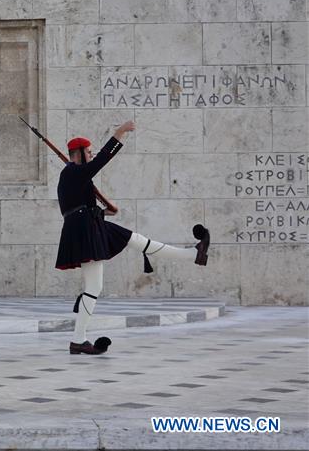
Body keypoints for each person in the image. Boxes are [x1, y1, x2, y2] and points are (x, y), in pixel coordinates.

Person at [56, 121, 210, 355]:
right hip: (85, 231)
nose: (92, 154)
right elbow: (101, 162)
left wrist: (106, 210)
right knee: (94, 287)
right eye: (88, 152)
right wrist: (119, 134)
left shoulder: (75, 175)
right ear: (78, 154)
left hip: (91, 224)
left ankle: (193, 254)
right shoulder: (73, 173)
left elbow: (77, 206)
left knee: (136, 239)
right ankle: (78, 339)